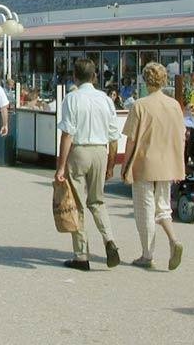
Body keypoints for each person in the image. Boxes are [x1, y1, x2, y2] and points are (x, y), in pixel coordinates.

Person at [55, 58, 121, 272]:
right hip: (101, 150)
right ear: (95, 76)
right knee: (97, 201)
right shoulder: (105, 99)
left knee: (77, 203)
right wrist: (111, 164)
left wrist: (60, 166)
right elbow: (113, 136)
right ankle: (109, 239)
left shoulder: (72, 98)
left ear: (74, 76)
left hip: (80, 149)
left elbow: (67, 133)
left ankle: (81, 254)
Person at [121, 62, 185, 270]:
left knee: (144, 209)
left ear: (145, 80)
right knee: (163, 206)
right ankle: (174, 239)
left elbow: (130, 139)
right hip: (167, 162)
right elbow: (180, 136)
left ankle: (147, 255)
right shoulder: (174, 105)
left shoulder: (140, 105)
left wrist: (124, 165)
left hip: (144, 162)